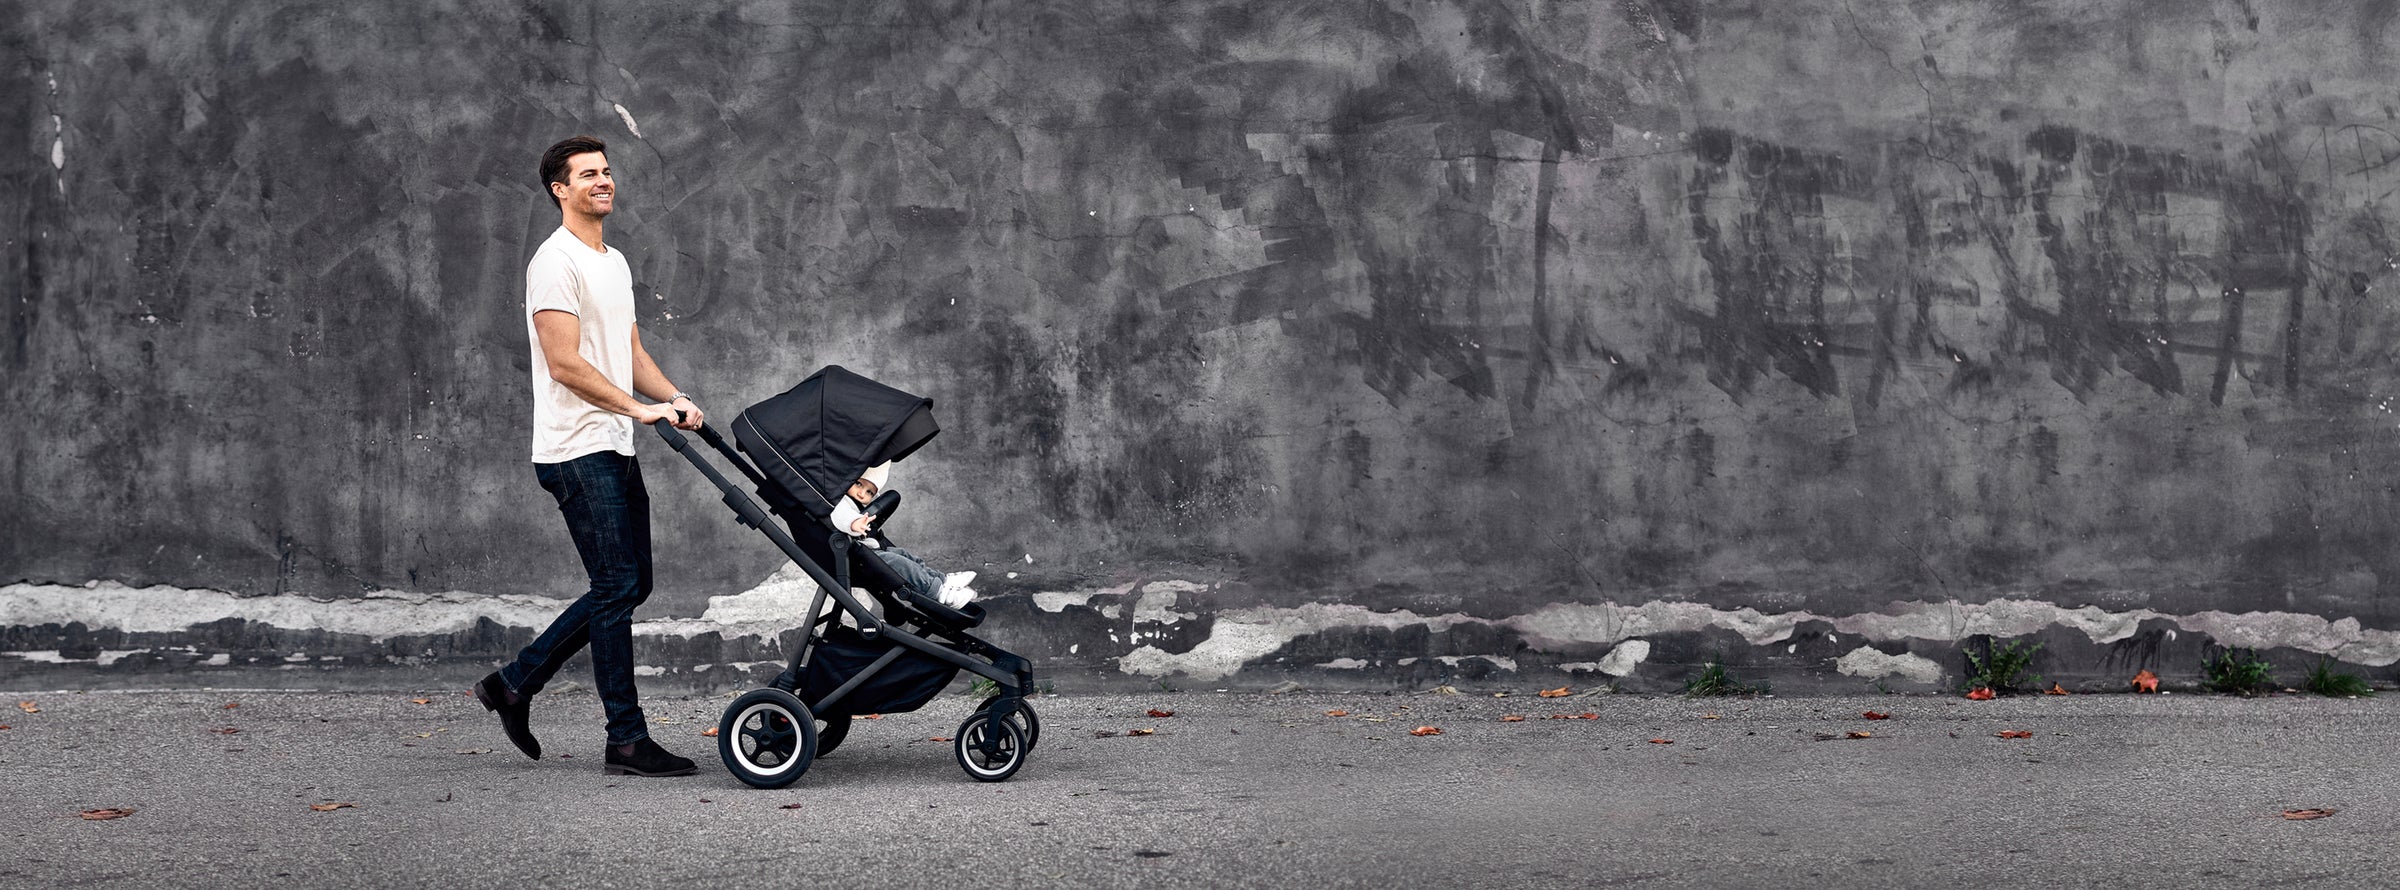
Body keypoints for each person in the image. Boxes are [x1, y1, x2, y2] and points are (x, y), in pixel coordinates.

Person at [472, 135, 704, 778]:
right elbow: (565, 363)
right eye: (588, 175)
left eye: (607, 171)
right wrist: (638, 410)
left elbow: (627, 356)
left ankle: (514, 684)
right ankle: (624, 740)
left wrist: (675, 397)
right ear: (560, 190)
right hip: (576, 449)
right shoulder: (554, 262)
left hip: (613, 444)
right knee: (616, 585)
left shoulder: (614, 261)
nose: (604, 181)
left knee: (633, 582)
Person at [831, 463, 976, 609]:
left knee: (901, 554)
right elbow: (840, 515)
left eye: (869, 492)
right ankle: (940, 593)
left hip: (867, 552)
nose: (861, 493)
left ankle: (942, 580)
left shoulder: (857, 502)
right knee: (897, 562)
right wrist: (854, 523)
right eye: (858, 484)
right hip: (854, 557)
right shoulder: (841, 501)